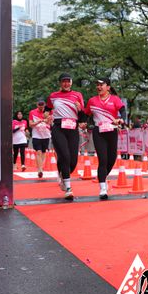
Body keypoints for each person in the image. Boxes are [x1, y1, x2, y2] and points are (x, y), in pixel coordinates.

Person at [83, 78, 125, 200]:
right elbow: (86, 114)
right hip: (99, 132)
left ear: (108, 87)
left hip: (112, 131)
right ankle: (102, 188)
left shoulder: (114, 99)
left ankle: (102, 177)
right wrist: (82, 121)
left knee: (111, 159)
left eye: (102, 84)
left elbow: (123, 110)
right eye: (97, 85)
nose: (99, 87)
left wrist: (121, 119)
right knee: (103, 159)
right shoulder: (92, 101)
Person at [47, 73, 85, 201]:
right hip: (58, 128)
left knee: (73, 161)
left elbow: (83, 115)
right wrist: (48, 115)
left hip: (73, 128)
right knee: (65, 155)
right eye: (63, 81)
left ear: (71, 83)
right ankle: (68, 188)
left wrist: (80, 110)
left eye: (68, 81)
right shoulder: (53, 96)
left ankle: (62, 173)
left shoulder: (78, 95)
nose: (66, 84)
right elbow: (47, 109)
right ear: (60, 83)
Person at [29, 99, 52, 179]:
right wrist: (39, 121)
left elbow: (50, 123)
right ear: (37, 105)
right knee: (38, 152)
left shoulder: (47, 112)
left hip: (46, 135)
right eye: (39, 105)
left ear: (44, 105)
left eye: (42, 106)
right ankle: (40, 170)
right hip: (36, 135)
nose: (41, 107)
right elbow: (30, 124)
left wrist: (47, 119)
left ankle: (40, 167)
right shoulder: (32, 112)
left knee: (43, 152)